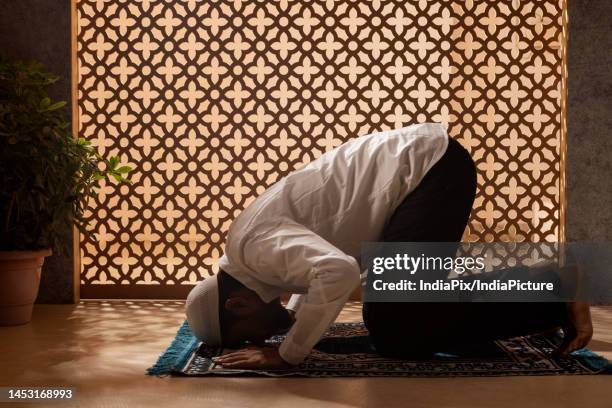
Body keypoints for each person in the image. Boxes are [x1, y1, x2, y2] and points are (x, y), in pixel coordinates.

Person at [185, 122, 592, 369]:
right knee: (401, 312)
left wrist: (287, 355)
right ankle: (546, 282)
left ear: (238, 305)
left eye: (248, 338)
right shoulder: (250, 254)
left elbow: (338, 272)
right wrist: (297, 325)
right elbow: (309, 278)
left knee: (398, 328)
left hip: (426, 171)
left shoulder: (253, 246)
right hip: (421, 173)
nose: (258, 344)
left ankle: (556, 295)